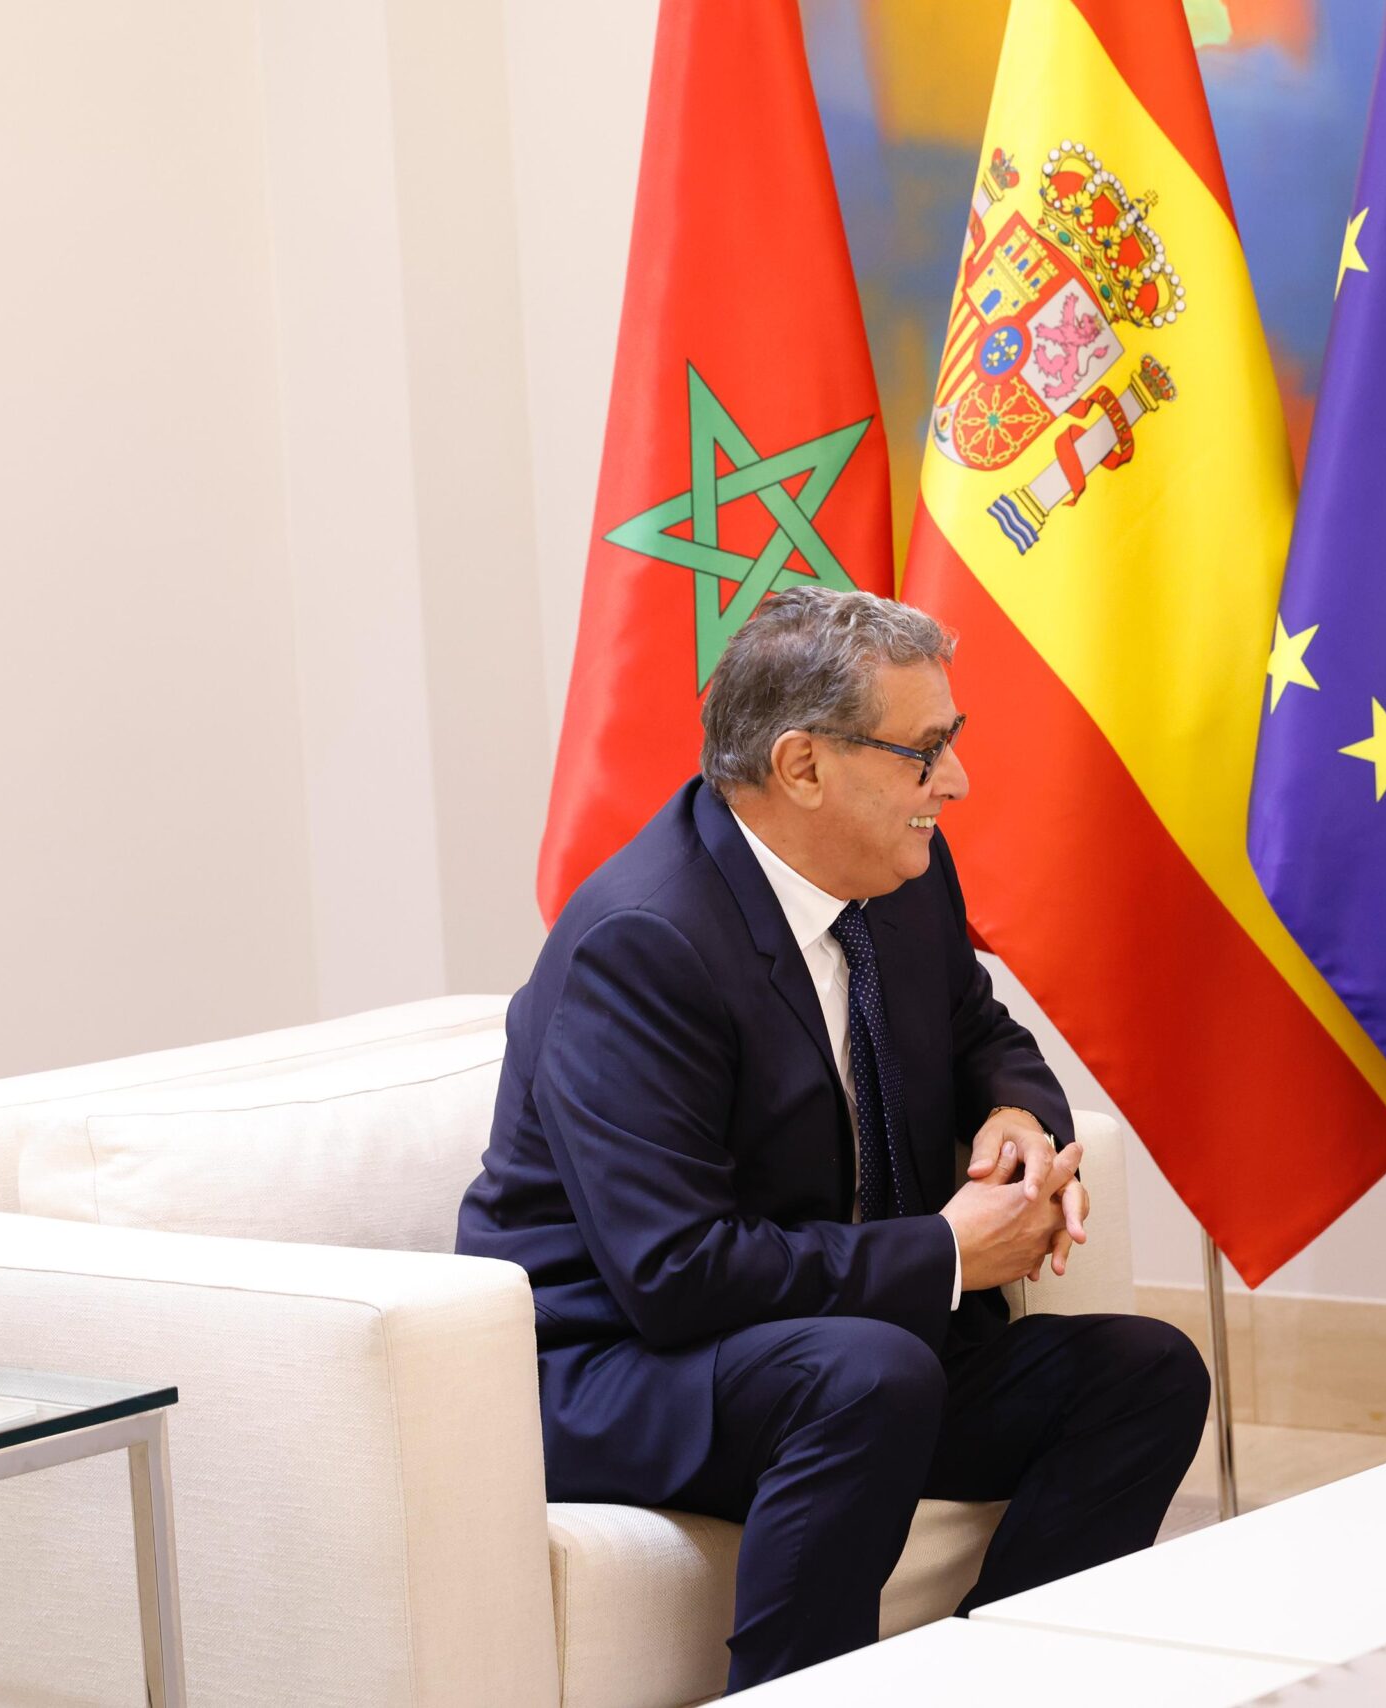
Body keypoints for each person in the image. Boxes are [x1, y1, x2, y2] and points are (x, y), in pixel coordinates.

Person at [458, 587, 1208, 1690]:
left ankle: (1003, 1687)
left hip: (826, 1340)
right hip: (617, 1367)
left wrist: (1017, 1119)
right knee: (868, 1374)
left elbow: (978, 1028)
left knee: (1144, 1371)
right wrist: (947, 1252)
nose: (956, 781)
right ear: (803, 765)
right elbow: (673, 1273)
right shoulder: (644, 942)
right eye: (924, 752)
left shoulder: (900, 872)